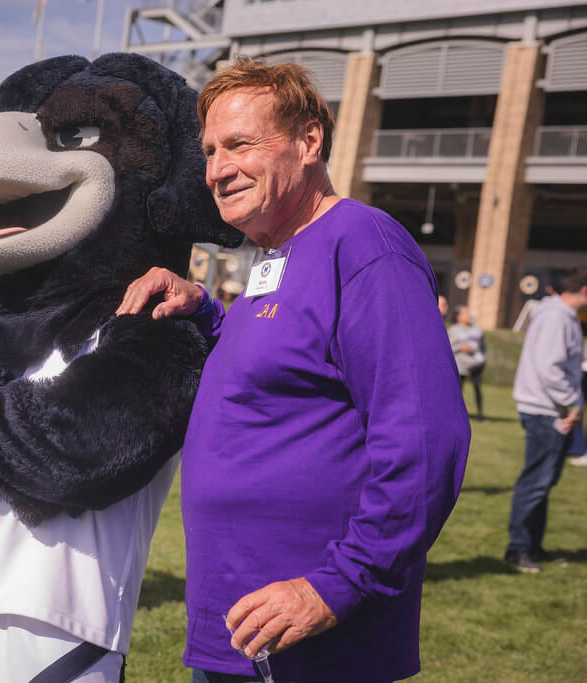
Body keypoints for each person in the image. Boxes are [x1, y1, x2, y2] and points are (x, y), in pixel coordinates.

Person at [117, 59, 470, 682]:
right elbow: (285, 360)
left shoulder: (365, 246)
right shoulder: (278, 254)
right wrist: (204, 309)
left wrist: (335, 586)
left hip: (315, 644)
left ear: (308, 143)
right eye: (209, 151)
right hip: (241, 631)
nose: (218, 169)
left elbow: (425, 440)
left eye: (240, 145)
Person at [504, 269, 587, 573]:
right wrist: (571, 403)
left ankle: (533, 547)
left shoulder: (560, 314)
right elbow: (549, 368)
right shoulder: (557, 317)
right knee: (536, 481)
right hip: (547, 410)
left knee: (544, 480)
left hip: (549, 408)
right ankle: (518, 550)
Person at [448, 305, 487, 420]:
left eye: (468, 313)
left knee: (477, 388)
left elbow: (483, 346)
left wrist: (483, 358)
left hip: (476, 364)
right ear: (458, 316)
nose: (468, 315)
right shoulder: (453, 330)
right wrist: (460, 347)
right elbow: (449, 347)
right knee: (458, 390)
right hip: (460, 365)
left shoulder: (477, 329)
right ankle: (456, 413)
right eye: (464, 313)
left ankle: (480, 413)